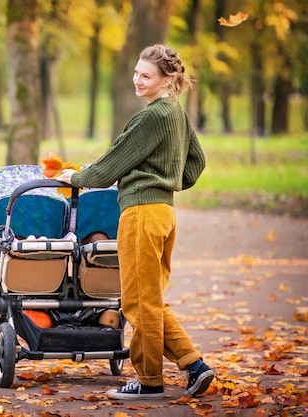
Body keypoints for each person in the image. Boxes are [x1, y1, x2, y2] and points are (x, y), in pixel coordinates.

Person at [57, 44, 213, 400]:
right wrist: (168, 182)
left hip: (141, 214)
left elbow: (111, 165)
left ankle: (149, 381)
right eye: (136, 72)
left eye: (146, 75)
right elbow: (196, 163)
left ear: (167, 78)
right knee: (151, 299)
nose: (137, 80)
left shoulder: (152, 117)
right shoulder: (175, 113)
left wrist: (75, 178)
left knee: (137, 302)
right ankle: (194, 365)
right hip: (164, 213)